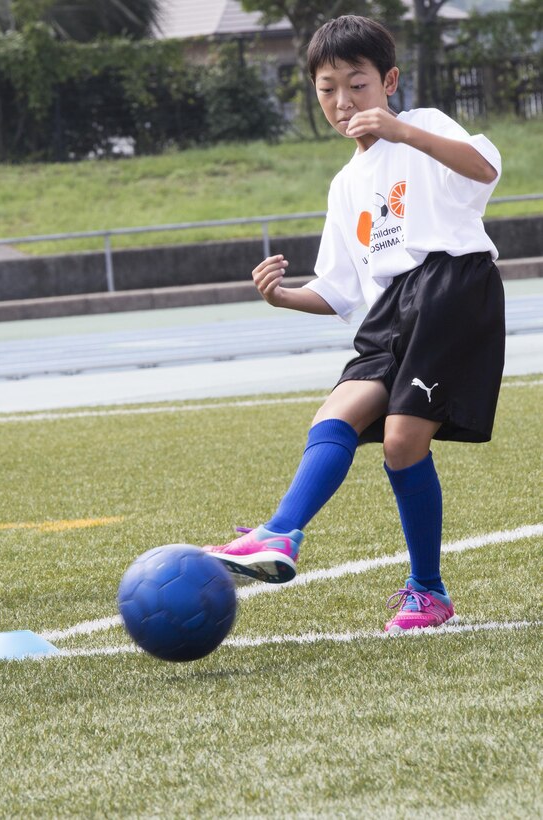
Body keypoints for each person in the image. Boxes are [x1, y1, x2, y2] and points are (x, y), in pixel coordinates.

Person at [204, 15, 505, 634]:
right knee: (335, 414)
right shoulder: (344, 185)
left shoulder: (421, 126)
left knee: (400, 443)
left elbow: (483, 169)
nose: (343, 102)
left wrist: (400, 129)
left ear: (388, 80)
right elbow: (342, 290)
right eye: (327, 88)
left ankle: (427, 592)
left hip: (450, 286)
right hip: (389, 308)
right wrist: (285, 297)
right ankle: (281, 535)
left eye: (357, 85)